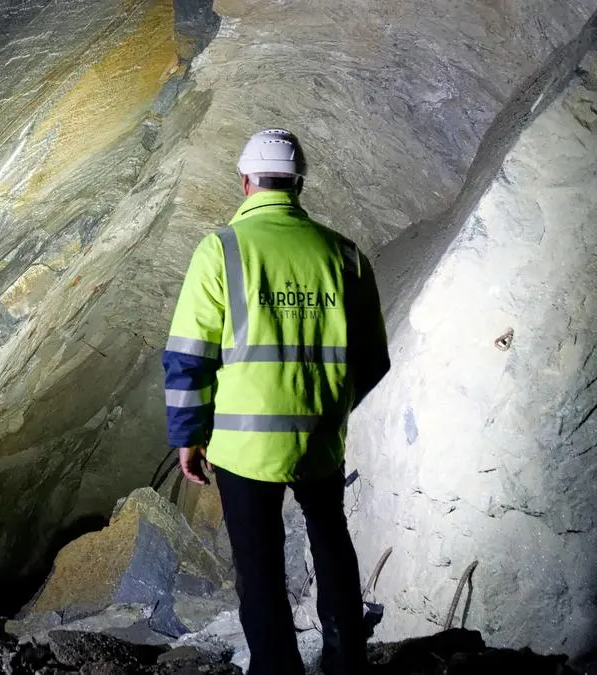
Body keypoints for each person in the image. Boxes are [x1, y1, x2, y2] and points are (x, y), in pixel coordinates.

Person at [161, 128, 390, 675]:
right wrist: (330, 408)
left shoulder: (222, 249)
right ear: (299, 184)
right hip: (319, 438)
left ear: (246, 182)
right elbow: (374, 359)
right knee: (332, 539)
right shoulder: (344, 254)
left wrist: (188, 436)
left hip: (243, 445)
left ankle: (276, 669)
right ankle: (346, 661)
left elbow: (189, 356)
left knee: (258, 566)